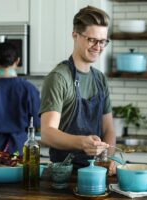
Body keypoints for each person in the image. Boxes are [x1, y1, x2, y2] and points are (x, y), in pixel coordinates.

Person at [39, 6, 115, 174]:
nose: (98, 47)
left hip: (96, 172)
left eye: (102, 41)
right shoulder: (59, 77)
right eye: (92, 40)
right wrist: (82, 142)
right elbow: (47, 133)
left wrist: (108, 158)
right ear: (75, 35)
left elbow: (108, 128)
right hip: (64, 175)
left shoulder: (100, 79)